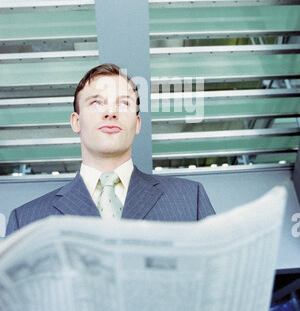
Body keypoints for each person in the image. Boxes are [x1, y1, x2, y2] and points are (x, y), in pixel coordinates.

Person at [6, 63, 215, 235]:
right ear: (76, 122)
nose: (110, 112)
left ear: (137, 123)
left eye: (124, 103)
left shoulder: (189, 199)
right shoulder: (27, 221)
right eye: (96, 102)